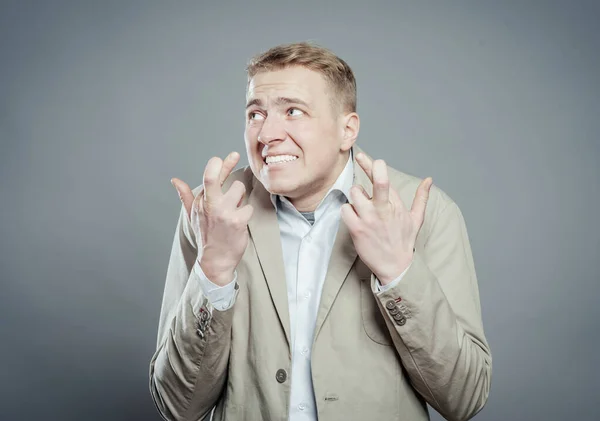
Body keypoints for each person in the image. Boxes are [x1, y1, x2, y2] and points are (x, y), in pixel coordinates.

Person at [149, 41, 492, 421]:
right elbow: (177, 407)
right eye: (255, 114)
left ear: (348, 130)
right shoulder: (211, 214)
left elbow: (465, 398)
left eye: (293, 111)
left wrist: (399, 272)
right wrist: (212, 271)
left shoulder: (423, 213)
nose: (266, 135)